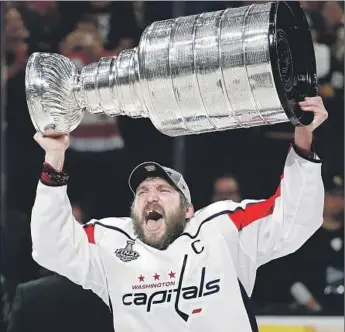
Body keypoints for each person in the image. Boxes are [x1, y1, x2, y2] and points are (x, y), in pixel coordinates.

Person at [30, 96, 328, 331]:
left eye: (163, 190)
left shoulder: (221, 229)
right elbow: (50, 247)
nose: (150, 196)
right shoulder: (109, 242)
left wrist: (303, 134)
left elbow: (295, 218)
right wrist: (54, 158)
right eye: (142, 192)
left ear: (189, 210)